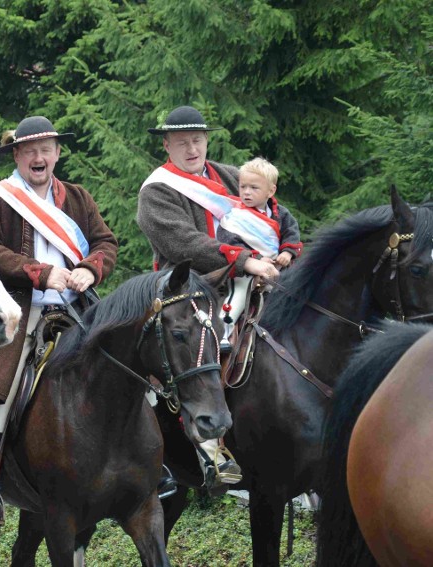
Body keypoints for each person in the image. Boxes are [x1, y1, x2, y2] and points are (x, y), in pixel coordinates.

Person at [0, 116, 118, 532]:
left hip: (77, 305)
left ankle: (153, 470)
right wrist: (38, 272)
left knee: (128, 361)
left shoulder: (78, 198)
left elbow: (105, 243)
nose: (39, 157)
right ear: (17, 155)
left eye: (46, 149)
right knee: (1, 385)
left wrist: (90, 268)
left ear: (57, 153)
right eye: (30, 150)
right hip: (19, 308)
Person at [136, 105, 278, 492]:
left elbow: (273, 213)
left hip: (253, 274)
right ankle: (212, 451)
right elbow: (183, 243)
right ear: (167, 146)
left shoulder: (234, 177)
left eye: (197, 140)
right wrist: (245, 260)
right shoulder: (156, 192)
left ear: (206, 141)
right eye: (182, 142)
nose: (192, 148)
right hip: (189, 286)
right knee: (202, 345)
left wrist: (284, 250)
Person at [215, 157, 302, 345]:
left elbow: (291, 233)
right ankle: (223, 333)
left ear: (271, 191)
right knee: (237, 294)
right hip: (247, 270)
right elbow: (229, 241)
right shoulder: (234, 216)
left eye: (254, 188)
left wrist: (287, 253)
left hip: (278, 269)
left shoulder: (282, 214)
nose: (246, 192)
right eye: (243, 186)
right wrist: (257, 259)